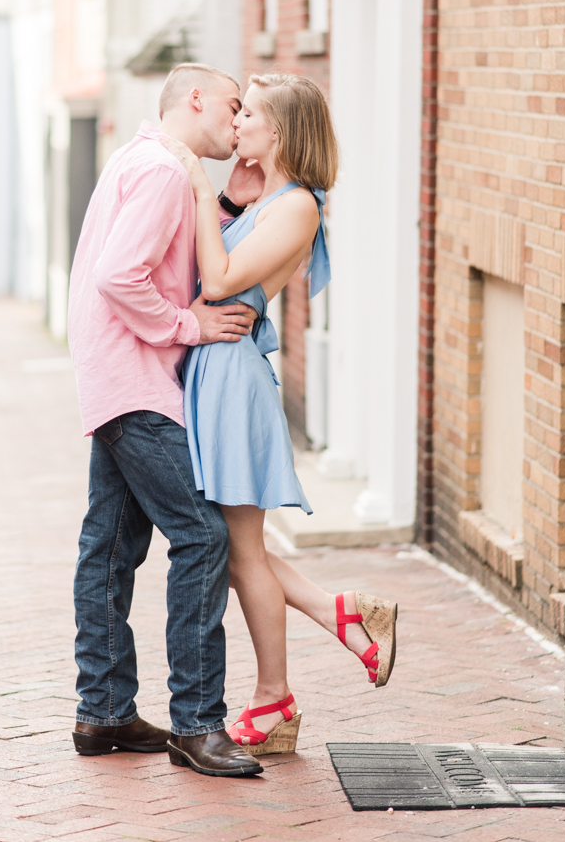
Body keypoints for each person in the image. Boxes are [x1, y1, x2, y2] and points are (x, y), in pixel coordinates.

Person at [161, 72, 398, 758]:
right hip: (219, 369)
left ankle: (275, 698)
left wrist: (205, 191)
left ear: (282, 132)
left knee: (241, 551)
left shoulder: (298, 205)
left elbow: (221, 280)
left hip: (234, 379)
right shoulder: (270, 197)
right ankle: (337, 618)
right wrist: (231, 195)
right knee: (241, 551)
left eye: (251, 114)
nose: (237, 124)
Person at [68, 63, 270, 779]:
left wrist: (221, 204)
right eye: (232, 104)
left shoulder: (145, 160)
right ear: (195, 99)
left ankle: (105, 711)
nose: (239, 120)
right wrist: (188, 324)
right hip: (137, 385)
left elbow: (165, 254)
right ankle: (197, 723)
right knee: (203, 532)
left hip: (114, 379)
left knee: (112, 546)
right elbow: (120, 274)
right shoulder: (158, 169)